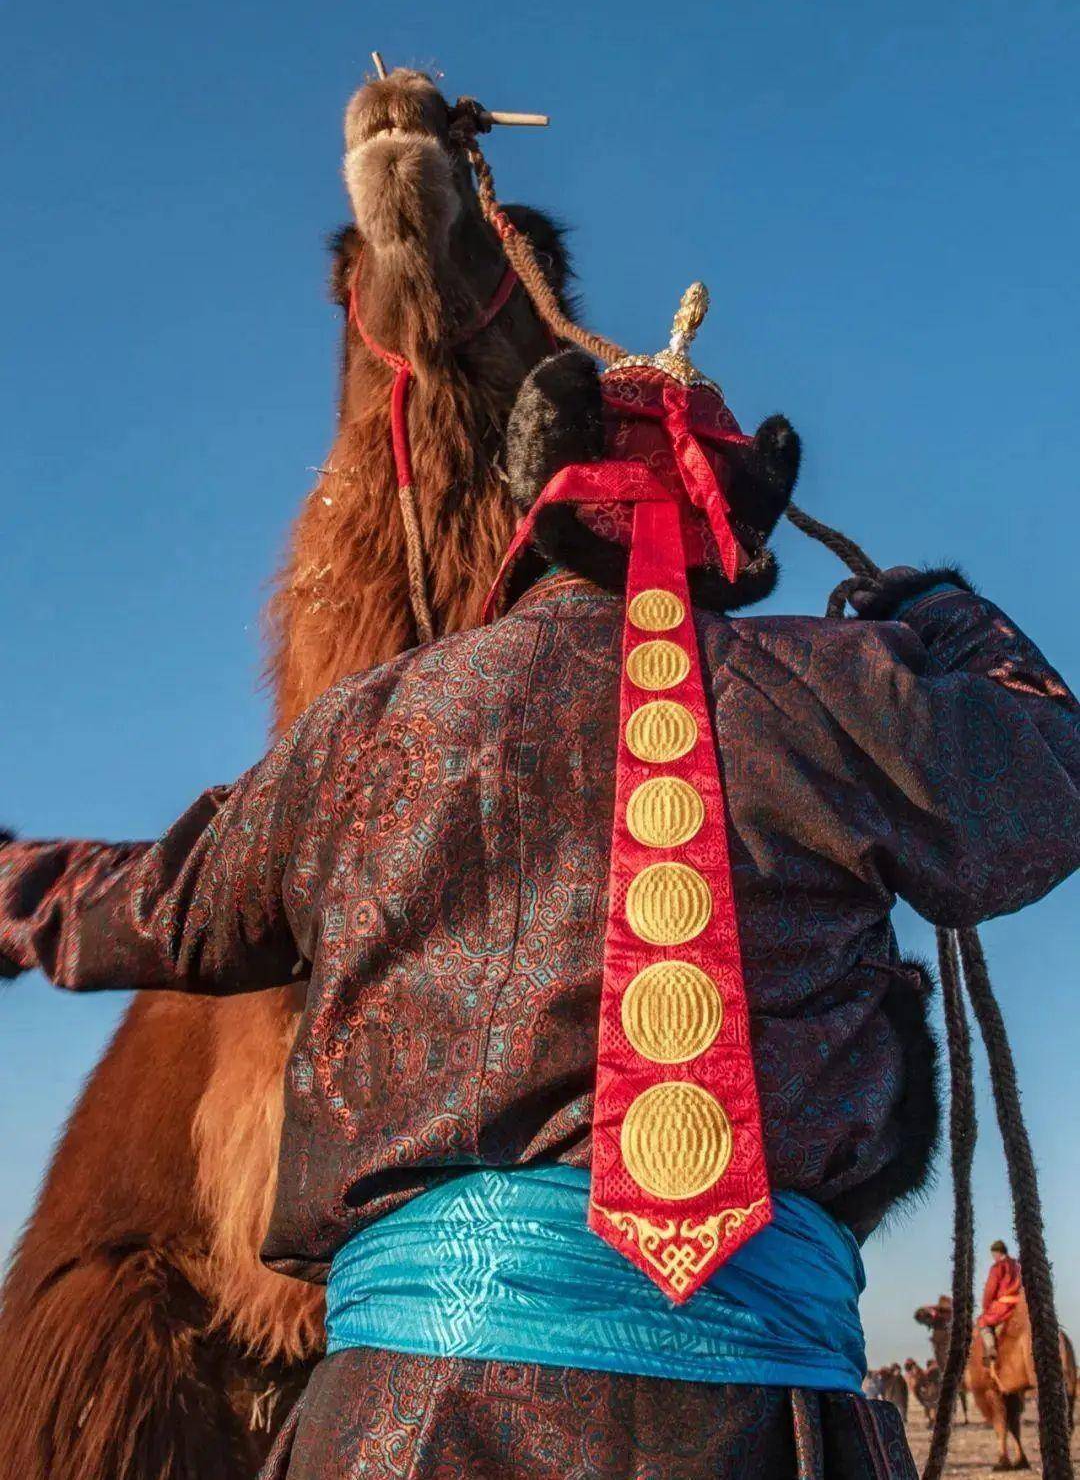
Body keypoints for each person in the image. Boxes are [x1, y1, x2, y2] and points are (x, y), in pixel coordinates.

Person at [3, 291, 1079, 1480]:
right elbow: (1049, 782)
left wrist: (10, 887)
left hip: (398, 1433)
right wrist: (944, 611)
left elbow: (157, 908)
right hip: (770, 1435)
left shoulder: (364, 733)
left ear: (534, 511)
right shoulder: (847, 693)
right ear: (738, 531)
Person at [978, 1240, 1023, 1363]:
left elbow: (990, 1289)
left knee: (983, 1321)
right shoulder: (1017, 1265)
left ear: (997, 1252)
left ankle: (991, 1348)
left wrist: (985, 1306)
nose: (993, 1257)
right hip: (1020, 1305)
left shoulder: (997, 1267)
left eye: (993, 1255)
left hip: (1004, 1306)